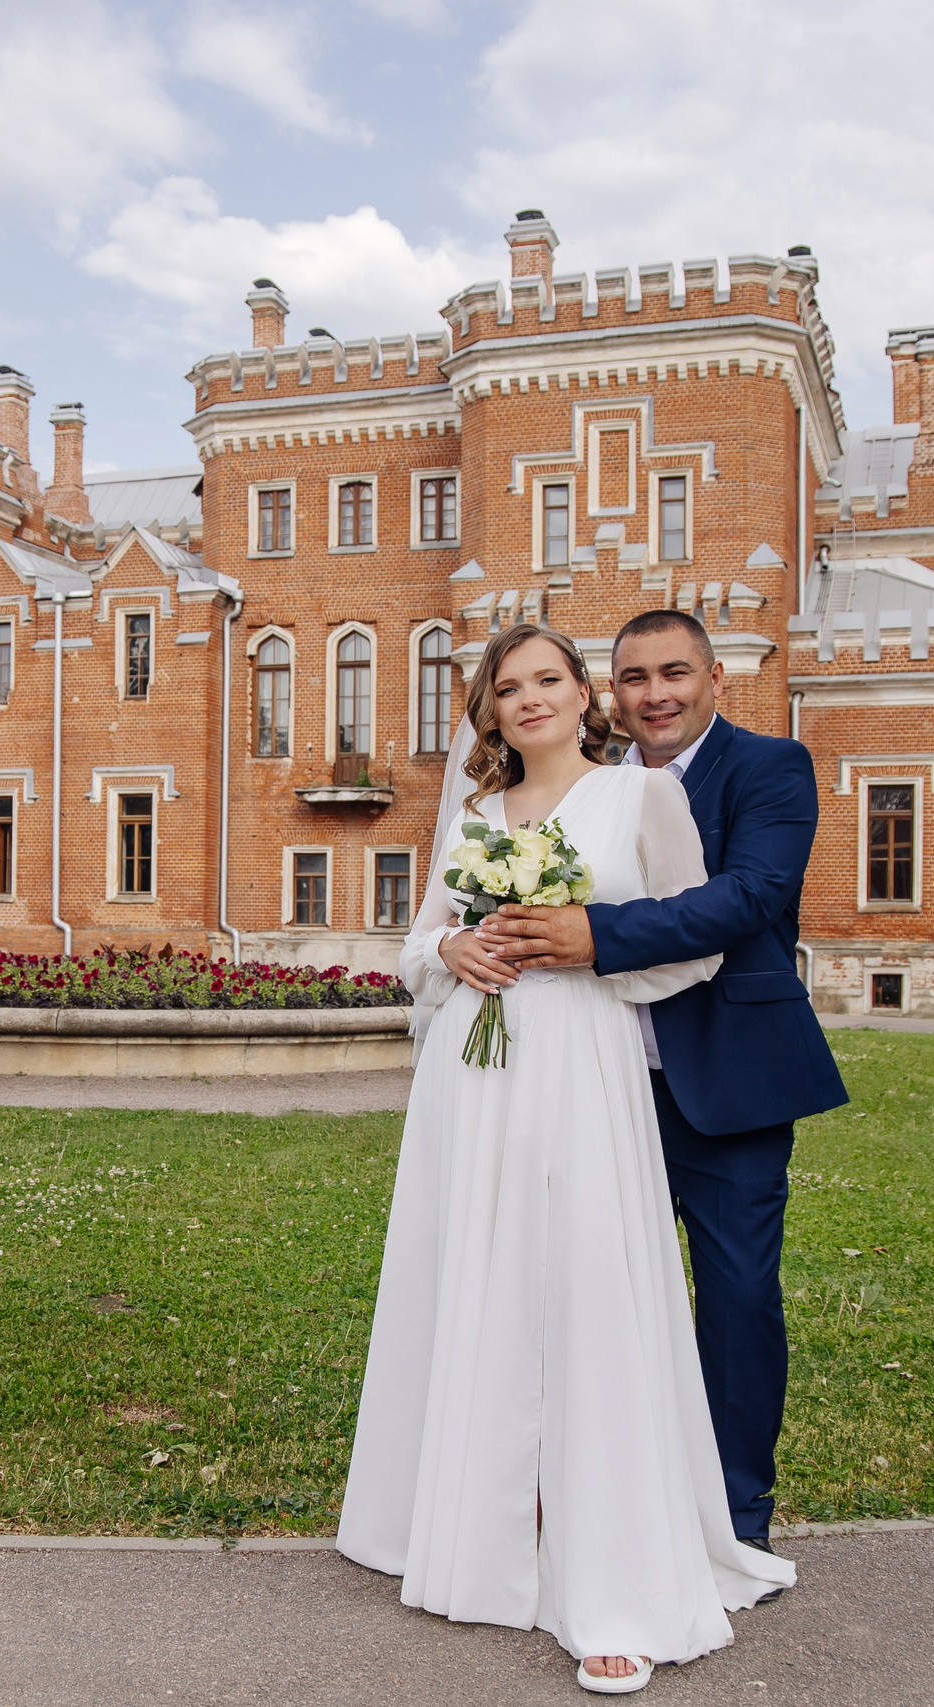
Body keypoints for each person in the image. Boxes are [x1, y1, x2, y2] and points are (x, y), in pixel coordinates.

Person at [338, 623, 793, 1697]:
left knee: (590, 1296)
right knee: (484, 1282)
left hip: (583, 1067)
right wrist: (451, 952)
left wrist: (583, 950)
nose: (530, 699)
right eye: (509, 688)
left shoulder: (638, 799)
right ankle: (483, 1533)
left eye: (548, 680)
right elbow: (413, 950)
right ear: (487, 712)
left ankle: (614, 1580)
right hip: (472, 1075)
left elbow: (697, 941)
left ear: (581, 693)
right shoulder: (474, 815)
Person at [476, 609, 848, 1552]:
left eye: (675, 672)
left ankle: (731, 1519)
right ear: (612, 690)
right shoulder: (579, 787)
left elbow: (750, 897)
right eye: (635, 677)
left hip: (727, 1084)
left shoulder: (769, 768)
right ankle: (601, 1504)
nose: (657, 694)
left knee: (735, 1300)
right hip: (595, 1087)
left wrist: (597, 938)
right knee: (592, 1298)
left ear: (716, 676)